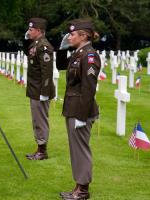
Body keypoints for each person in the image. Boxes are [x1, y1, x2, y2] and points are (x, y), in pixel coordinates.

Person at [56, 18, 101, 200]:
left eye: (72, 34)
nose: (69, 37)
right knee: (76, 149)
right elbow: (60, 66)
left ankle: (82, 191)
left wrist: (82, 116)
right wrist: (62, 47)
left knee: (80, 149)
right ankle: (78, 186)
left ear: (83, 36)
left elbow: (88, 89)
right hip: (73, 109)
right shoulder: (78, 53)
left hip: (80, 111)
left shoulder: (90, 56)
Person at [23, 18, 55, 160]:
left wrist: (44, 92)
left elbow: (46, 71)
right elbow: (28, 53)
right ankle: (39, 148)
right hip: (35, 89)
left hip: (41, 90)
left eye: (31, 30)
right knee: (36, 120)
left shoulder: (44, 46)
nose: (29, 32)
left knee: (40, 120)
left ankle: (42, 151)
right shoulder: (36, 44)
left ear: (39, 31)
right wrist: (26, 39)